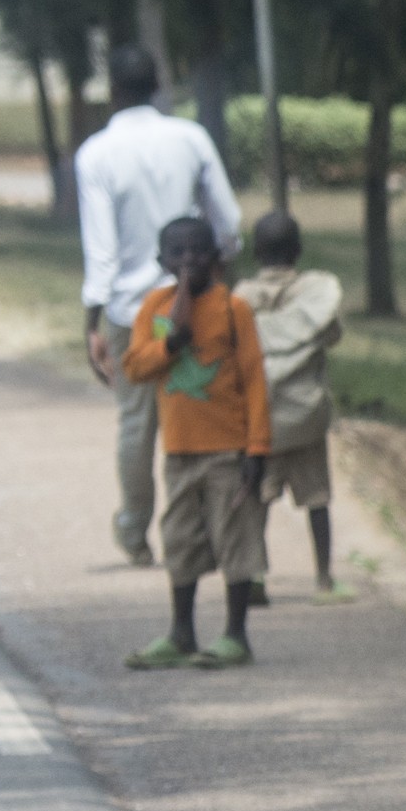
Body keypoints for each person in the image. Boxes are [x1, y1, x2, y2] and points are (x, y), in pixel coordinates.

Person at [76, 43, 241, 568]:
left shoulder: (95, 154)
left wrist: (91, 322)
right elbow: (228, 223)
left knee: (136, 424)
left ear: (113, 92)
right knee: (201, 412)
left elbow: (100, 249)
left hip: (131, 311)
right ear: (158, 86)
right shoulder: (191, 138)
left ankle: (134, 530)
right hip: (196, 298)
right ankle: (206, 530)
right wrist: (216, 274)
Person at [119, 215, 272, 670]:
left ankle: (235, 634)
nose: (189, 261)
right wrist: (173, 342)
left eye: (199, 251)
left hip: (228, 450)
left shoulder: (233, 309)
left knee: (235, 540)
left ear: (218, 258)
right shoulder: (154, 309)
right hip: (180, 451)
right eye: (178, 253)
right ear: (161, 260)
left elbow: (255, 380)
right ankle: (181, 632)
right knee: (180, 540)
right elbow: (134, 367)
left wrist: (258, 449)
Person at [239, 209, 347, 597]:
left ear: (255, 251)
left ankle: (254, 577)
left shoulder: (242, 299)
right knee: (317, 500)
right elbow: (331, 335)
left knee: (258, 502)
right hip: (305, 418)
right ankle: (323, 577)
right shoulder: (314, 294)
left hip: (261, 420)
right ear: (298, 250)